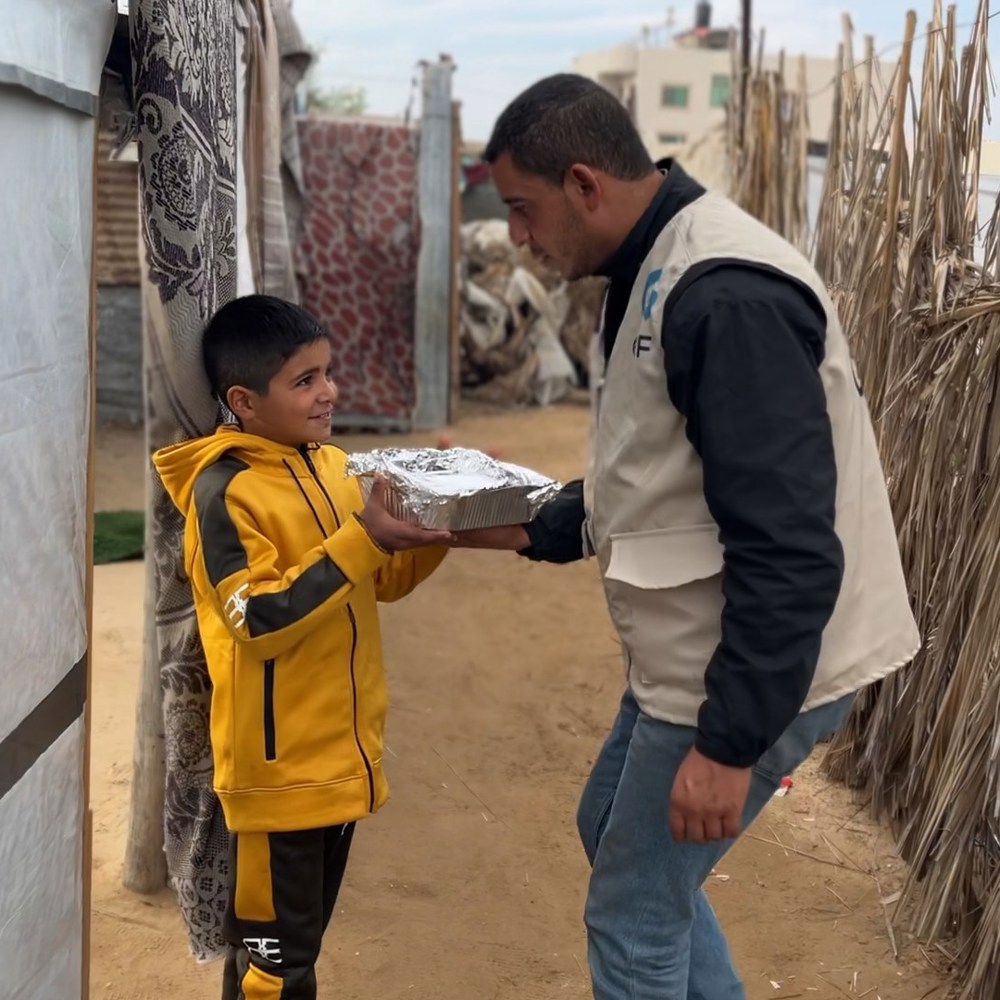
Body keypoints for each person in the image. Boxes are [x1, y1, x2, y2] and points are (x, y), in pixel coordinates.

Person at [456, 74, 920, 998]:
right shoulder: (654, 264)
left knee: (633, 914)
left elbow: (788, 544)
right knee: (613, 832)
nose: (515, 237)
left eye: (522, 208)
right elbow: (658, 478)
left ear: (585, 184)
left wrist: (730, 743)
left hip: (757, 667)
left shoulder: (724, 297)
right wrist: (498, 525)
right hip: (698, 653)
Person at [153, 294, 451, 1000]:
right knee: (276, 969)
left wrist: (441, 520)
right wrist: (365, 537)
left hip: (339, 763)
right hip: (278, 778)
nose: (330, 392)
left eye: (327, 372)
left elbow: (379, 580)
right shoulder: (225, 492)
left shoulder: (330, 466)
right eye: (306, 380)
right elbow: (253, 617)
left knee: (291, 949)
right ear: (243, 401)